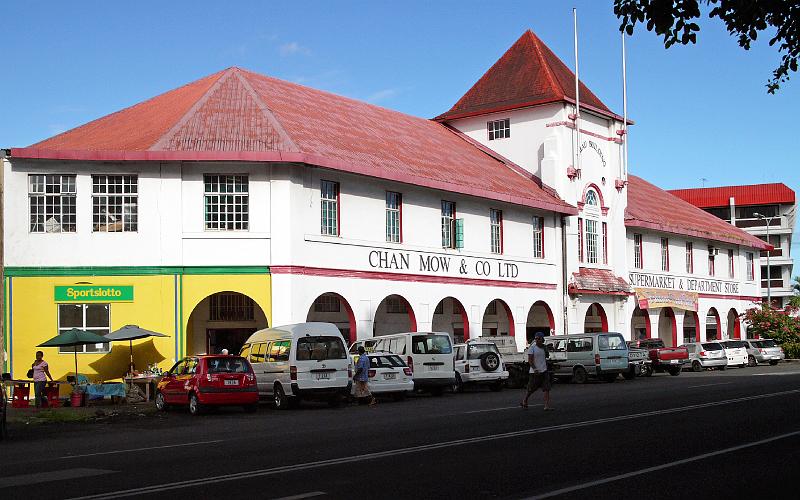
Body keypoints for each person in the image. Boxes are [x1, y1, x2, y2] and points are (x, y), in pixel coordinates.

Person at [520, 333, 553, 411]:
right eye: (536, 339)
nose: (537, 340)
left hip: (544, 371)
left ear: (542, 339)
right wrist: (535, 369)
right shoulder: (532, 348)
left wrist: (547, 350)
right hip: (534, 372)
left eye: (539, 339)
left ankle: (546, 406)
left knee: (547, 389)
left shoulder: (544, 347)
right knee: (531, 389)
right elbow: (530, 360)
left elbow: (547, 356)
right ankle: (525, 400)